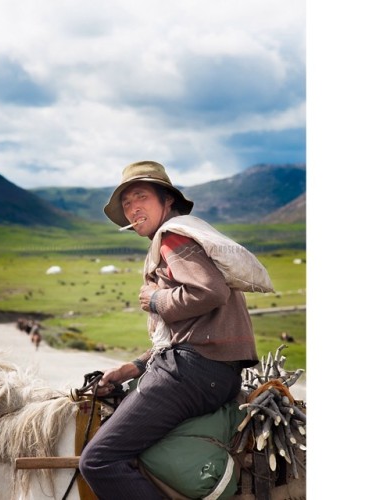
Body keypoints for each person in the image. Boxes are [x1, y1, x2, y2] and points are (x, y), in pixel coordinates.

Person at [79, 160, 263, 499]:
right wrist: (133, 367)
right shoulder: (186, 234)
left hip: (193, 371)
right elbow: (187, 330)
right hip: (208, 370)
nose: (132, 207)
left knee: (98, 460)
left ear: (167, 200)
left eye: (140, 197)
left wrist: (156, 300)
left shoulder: (173, 235)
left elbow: (210, 291)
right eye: (126, 203)